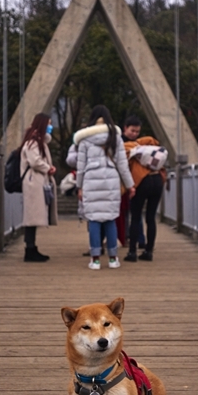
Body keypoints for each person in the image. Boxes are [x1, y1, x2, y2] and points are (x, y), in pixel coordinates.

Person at [74, 105, 135, 271]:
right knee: (110, 218)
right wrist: (130, 185)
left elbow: (81, 167)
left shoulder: (85, 140)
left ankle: (95, 259)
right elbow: (123, 165)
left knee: (94, 219)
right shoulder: (116, 138)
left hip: (91, 182)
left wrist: (79, 187)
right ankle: (113, 258)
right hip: (111, 182)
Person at [20, 113, 58, 262]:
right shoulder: (33, 142)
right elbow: (35, 161)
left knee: (33, 216)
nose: (51, 126)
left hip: (36, 180)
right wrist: (48, 168)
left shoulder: (37, 141)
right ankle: (30, 249)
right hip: (33, 181)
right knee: (32, 217)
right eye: (48, 123)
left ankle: (31, 247)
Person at [123, 133, 166, 262]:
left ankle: (132, 253)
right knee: (151, 217)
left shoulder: (131, 149)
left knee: (136, 217)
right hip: (157, 180)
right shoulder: (151, 147)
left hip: (142, 182)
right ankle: (149, 251)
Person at [116, 115, 146, 249]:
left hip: (135, 181)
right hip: (122, 182)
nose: (134, 134)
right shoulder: (119, 143)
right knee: (124, 212)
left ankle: (139, 239)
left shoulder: (140, 143)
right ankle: (127, 237)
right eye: (132, 131)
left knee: (135, 211)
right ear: (125, 129)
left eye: (137, 132)